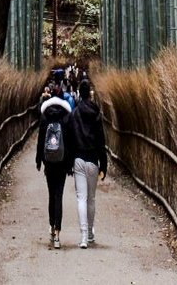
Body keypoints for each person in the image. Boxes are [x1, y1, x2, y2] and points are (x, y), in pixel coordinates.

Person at [69, 78, 108, 248]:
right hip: (93, 160)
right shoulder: (96, 114)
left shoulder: (74, 114)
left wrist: (69, 162)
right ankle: (91, 232)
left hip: (78, 159)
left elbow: (70, 138)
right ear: (90, 93)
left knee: (81, 198)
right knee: (91, 199)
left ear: (79, 93)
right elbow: (101, 141)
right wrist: (104, 165)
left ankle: (83, 236)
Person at [36, 87, 74, 249]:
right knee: (59, 195)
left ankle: (51, 226)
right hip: (62, 163)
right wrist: (70, 163)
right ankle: (58, 233)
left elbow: (40, 142)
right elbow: (71, 143)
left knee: (51, 194)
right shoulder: (66, 118)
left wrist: (39, 160)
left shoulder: (45, 119)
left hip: (49, 163)